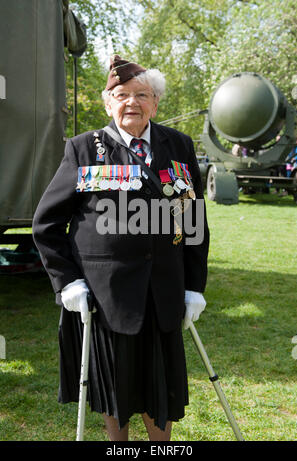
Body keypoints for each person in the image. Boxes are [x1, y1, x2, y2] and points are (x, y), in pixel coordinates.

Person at [32, 55, 210, 441]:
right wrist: (68, 283)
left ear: (156, 102)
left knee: (161, 388)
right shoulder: (83, 149)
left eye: (142, 95)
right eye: (122, 94)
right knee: (117, 390)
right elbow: (46, 224)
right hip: (107, 295)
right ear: (107, 101)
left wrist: (195, 285)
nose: (132, 102)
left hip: (163, 290)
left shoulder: (178, 145)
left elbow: (193, 220)